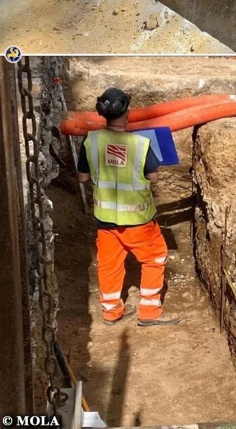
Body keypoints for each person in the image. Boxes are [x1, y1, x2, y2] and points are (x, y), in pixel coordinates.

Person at [77, 87, 180, 327]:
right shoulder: (141, 144)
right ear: (127, 113)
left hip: (105, 220)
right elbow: (153, 178)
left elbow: (82, 178)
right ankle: (150, 312)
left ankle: (112, 312)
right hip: (138, 221)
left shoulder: (90, 140)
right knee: (155, 258)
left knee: (109, 265)